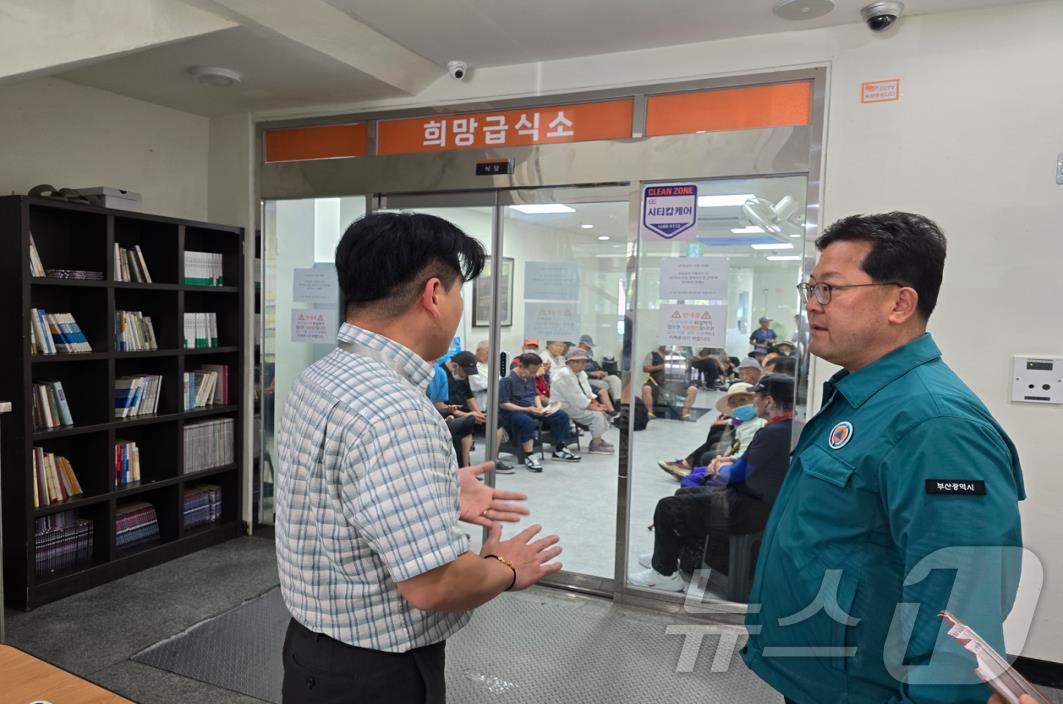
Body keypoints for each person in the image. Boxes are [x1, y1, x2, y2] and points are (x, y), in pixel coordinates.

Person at [276, 212, 563, 704]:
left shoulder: (323, 376)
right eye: (458, 293)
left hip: (311, 650)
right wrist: (503, 567)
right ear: (433, 295)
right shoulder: (395, 410)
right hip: (375, 677)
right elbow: (435, 585)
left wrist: (436, 489)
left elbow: (334, 496)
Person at [743, 212, 1025, 704]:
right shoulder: (865, 397)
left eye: (830, 289)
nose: (812, 305)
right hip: (820, 676)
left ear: (900, 302)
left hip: (866, 688)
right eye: (809, 288)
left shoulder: (937, 425)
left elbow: (962, 596)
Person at [630, 375, 796, 591]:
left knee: (667, 507)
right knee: (684, 496)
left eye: (756, 396)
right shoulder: (787, 429)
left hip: (747, 509)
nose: (753, 401)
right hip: (759, 503)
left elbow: (736, 475)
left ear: (769, 401)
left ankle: (664, 574)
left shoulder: (772, 433)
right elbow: (755, 463)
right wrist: (731, 460)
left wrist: (720, 467)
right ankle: (670, 557)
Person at [657, 382, 764, 480]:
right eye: (733, 403)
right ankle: (693, 467)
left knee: (708, 455)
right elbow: (739, 422)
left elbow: (745, 454)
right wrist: (726, 422)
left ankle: (695, 469)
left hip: (744, 463)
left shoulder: (756, 424)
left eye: (743, 400)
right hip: (738, 449)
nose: (739, 406)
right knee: (715, 434)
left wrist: (723, 461)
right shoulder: (746, 419)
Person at [498, 352, 581, 472]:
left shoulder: (530, 377)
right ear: (521, 366)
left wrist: (540, 407)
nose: (533, 375)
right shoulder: (507, 380)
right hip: (512, 411)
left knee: (561, 415)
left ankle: (559, 448)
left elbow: (535, 394)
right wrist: (527, 409)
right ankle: (529, 455)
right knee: (527, 421)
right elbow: (504, 404)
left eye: (535, 372)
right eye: (531, 371)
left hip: (530, 408)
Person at [549, 347, 615, 454]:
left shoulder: (581, 374)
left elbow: (588, 393)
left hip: (573, 404)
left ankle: (597, 439)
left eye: (584, 362)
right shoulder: (564, 374)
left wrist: (598, 405)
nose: (582, 365)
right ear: (570, 362)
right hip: (561, 406)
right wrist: (596, 408)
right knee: (596, 415)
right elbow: (576, 398)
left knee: (601, 413)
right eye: (578, 362)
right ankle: (595, 444)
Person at [642, 345, 698, 420]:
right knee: (646, 388)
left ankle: (685, 413)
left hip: (676, 382)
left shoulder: (677, 355)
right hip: (656, 382)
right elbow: (646, 368)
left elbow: (685, 368)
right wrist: (661, 367)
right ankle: (649, 413)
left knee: (693, 389)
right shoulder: (652, 354)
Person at [577, 334, 623, 404]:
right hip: (586, 379)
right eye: (587, 346)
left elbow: (593, 363)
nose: (588, 348)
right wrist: (592, 373)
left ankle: (618, 400)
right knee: (606, 385)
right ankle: (615, 405)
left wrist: (602, 371)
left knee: (614, 378)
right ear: (581, 344)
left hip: (597, 377)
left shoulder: (589, 352)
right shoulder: (575, 355)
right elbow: (576, 372)